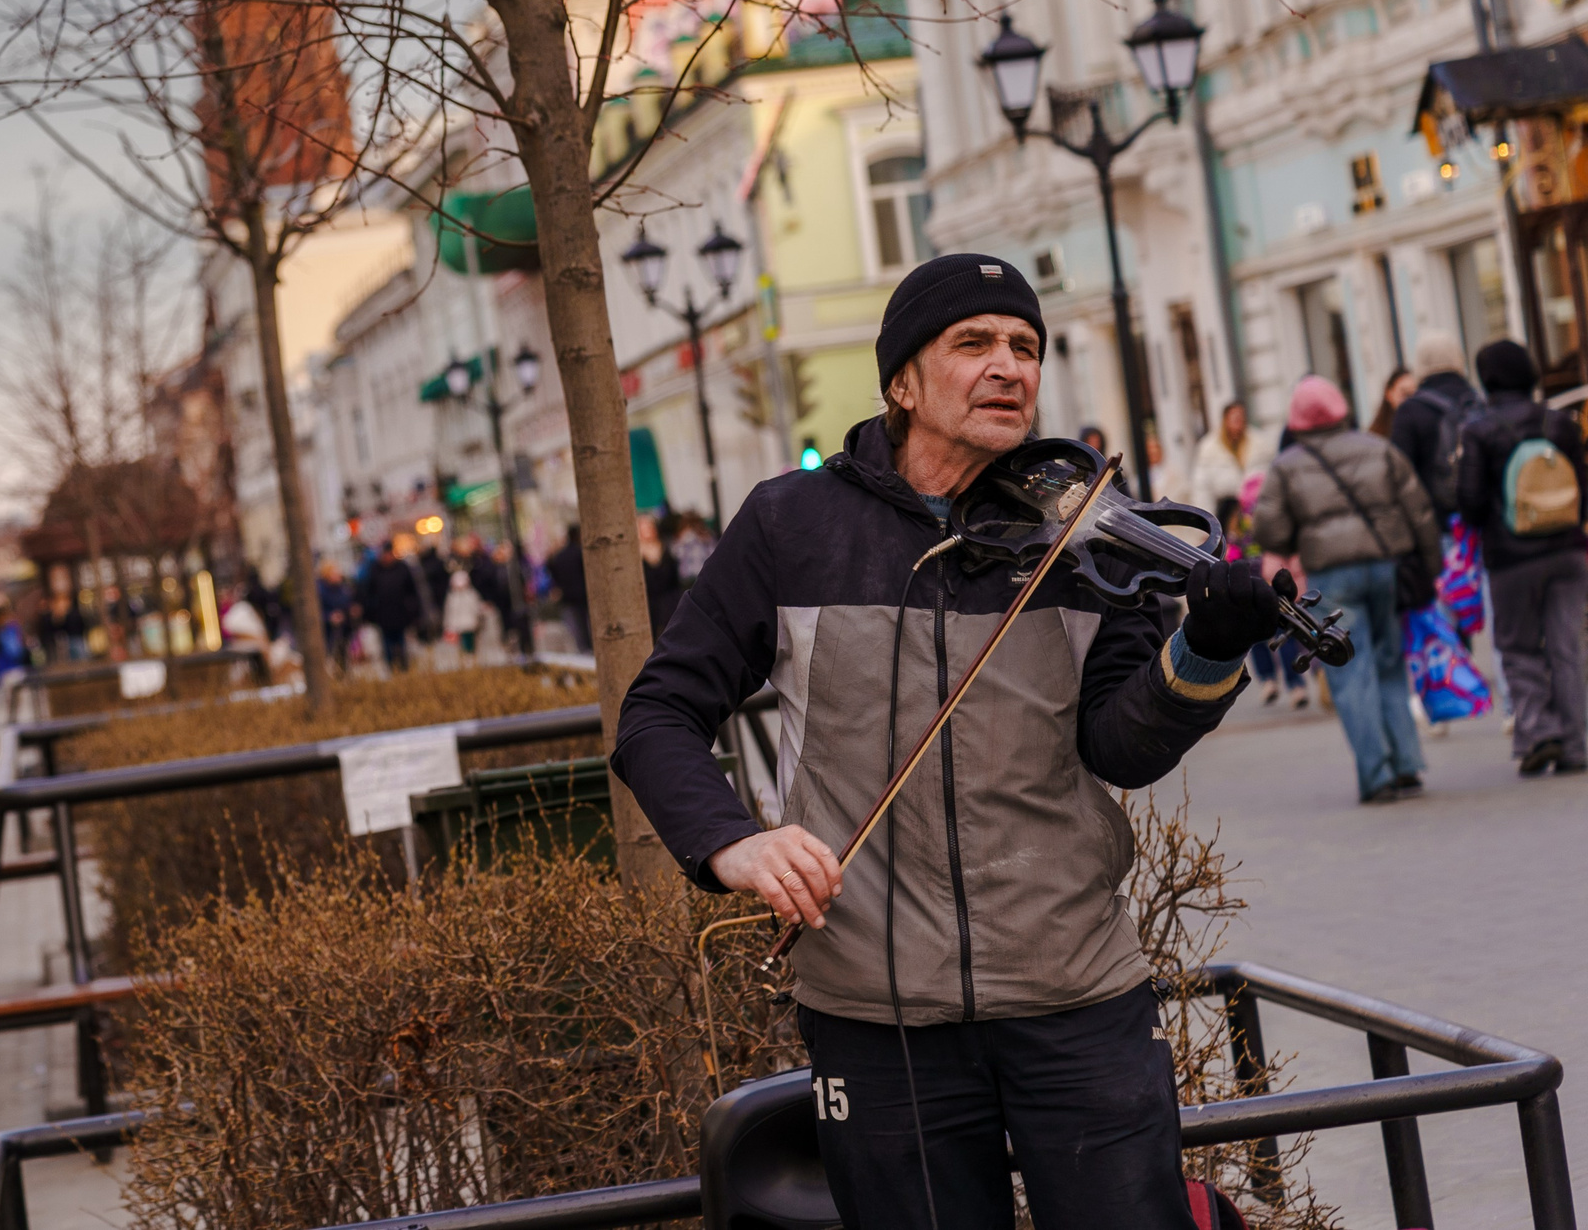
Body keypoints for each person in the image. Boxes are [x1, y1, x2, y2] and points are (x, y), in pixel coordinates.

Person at [614, 253, 1283, 1229]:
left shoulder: (1089, 536)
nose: (1007, 365)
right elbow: (658, 710)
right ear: (902, 381)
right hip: (874, 1016)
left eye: (1024, 346)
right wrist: (731, 841)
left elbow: (1123, 745)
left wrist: (1208, 647)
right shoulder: (790, 524)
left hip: (1074, 991)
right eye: (972, 343)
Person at [1252, 374, 1442, 804]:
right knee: (1390, 663)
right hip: (1384, 567)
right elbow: (1420, 512)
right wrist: (1430, 569)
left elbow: (1271, 532)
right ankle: (1408, 765)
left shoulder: (1287, 467)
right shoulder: (1379, 449)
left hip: (1331, 577)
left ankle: (1377, 776)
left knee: (1351, 672)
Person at [1456, 339, 1588, 776]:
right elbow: (1582, 489)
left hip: (1511, 559)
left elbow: (1471, 503)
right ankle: (1577, 744)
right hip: (1568, 552)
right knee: (1569, 647)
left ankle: (1539, 730)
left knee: (1518, 646)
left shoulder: (1478, 429)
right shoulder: (1559, 422)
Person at [1390, 331, 1486, 519]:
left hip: (1441, 522)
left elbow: (1400, 476)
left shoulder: (1409, 411)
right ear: (1459, 358)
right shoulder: (1479, 401)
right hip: (1485, 519)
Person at [1190, 400, 1273, 529]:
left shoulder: (1259, 443)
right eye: (1234, 418)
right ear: (1225, 420)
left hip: (1255, 509)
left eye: (1241, 418)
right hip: (1227, 511)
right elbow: (1202, 488)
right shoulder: (1209, 448)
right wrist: (1206, 524)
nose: (1238, 422)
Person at [357, 538, 425, 672]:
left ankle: (404, 668)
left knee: (402, 643)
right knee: (387, 645)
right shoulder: (375, 570)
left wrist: (413, 610)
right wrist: (370, 611)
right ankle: (391, 668)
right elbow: (367, 592)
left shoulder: (402, 568)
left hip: (401, 614)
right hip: (383, 616)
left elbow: (412, 591)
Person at [546, 524, 590, 652]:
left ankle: (582, 647)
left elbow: (553, 573)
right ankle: (587, 647)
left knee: (575, 625)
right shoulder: (580, 553)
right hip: (582, 594)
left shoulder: (560, 556)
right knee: (585, 622)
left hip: (567, 595)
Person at [441, 568, 483, 658]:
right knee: (455, 645)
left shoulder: (471, 595)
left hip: (469, 625)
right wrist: (447, 624)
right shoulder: (451, 597)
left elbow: (476, 609)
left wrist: (477, 620)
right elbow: (448, 611)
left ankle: (470, 658)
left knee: (469, 644)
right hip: (455, 625)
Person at [1366, 366, 1418, 439]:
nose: (1410, 400)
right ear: (1389, 393)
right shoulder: (1377, 435)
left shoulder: (1421, 426)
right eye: (1405, 393)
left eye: (1414, 394)